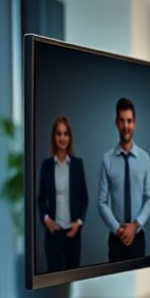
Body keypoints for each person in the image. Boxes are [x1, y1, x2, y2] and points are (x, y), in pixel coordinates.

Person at [99, 97, 150, 262]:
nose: (126, 126)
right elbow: (101, 201)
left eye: (129, 121)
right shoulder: (107, 159)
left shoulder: (145, 158)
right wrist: (118, 229)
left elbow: (149, 198)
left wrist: (135, 225)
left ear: (134, 123)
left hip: (138, 238)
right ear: (116, 123)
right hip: (116, 238)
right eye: (122, 121)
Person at [37, 116, 88, 271]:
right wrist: (46, 220)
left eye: (65, 134)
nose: (62, 138)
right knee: (54, 281)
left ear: (69, 137)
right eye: (59, 134)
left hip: (73, 235)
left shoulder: (77, 165)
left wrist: (78, 223)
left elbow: (84, 198)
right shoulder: (46, 166)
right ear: (54, 137)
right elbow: (41, 199)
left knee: (73, 280)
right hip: (53, 235)